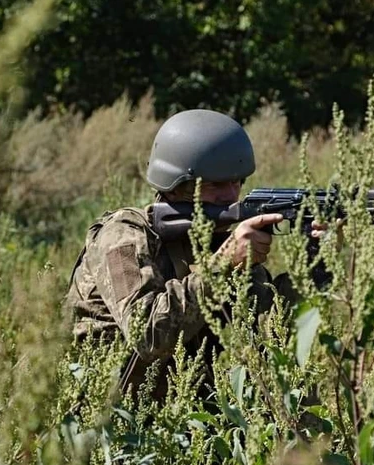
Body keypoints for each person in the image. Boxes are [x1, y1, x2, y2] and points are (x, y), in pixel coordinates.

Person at [63, 109, 329, 400]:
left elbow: (274, 332)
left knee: (297, 393)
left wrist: (316, 260)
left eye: (237, 182)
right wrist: (223, 264)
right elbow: (148, 335)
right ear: (176, 186)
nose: (231, 195)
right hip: (107, 416)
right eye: (215, 185)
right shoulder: (123, 235)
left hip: (183, 410)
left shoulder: (216, 240)